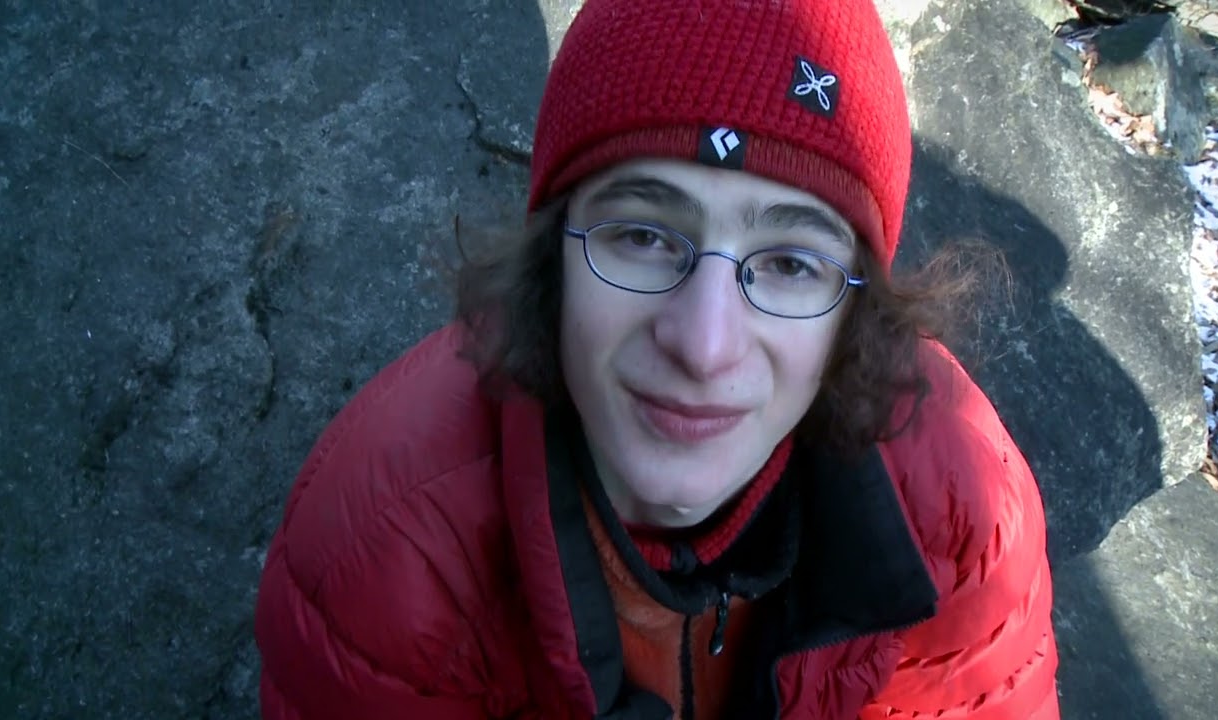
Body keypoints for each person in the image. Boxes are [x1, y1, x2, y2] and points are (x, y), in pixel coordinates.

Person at [254, 0, 1059, 717]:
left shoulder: (960, 503)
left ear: (856, 314)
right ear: (553, 260)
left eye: (789, 264)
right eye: (641, 236)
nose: (705, 346)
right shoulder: (387, 555)